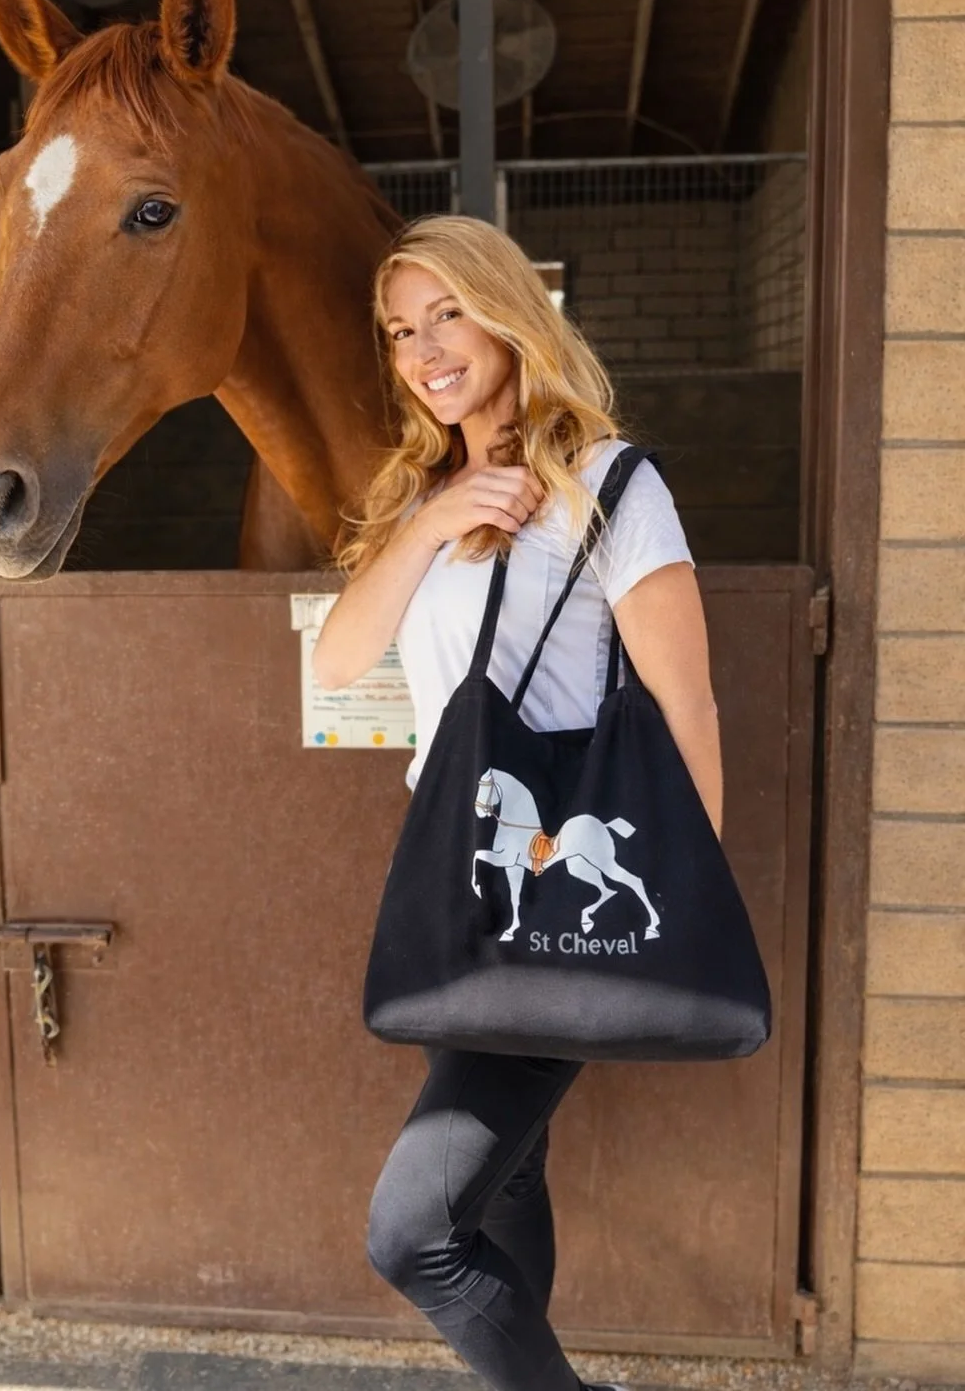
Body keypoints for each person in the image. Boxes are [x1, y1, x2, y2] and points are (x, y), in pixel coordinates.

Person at [311, 216, 722, 1391]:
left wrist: (684, 903)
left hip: (558, 897)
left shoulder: (606, 484)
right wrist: (437, 519)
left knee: (416, 1230)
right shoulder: (420, 495)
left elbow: (685, 703)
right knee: (512, 1180)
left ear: (507, 311)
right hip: (459, 882)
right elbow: (340, 659)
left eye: (446, 313)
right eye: (400, 330)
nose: (424, 349)